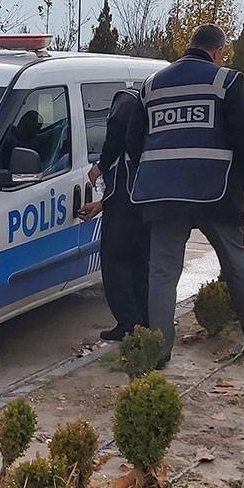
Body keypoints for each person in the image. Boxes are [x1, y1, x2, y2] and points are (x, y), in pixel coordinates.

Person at [128, 22, 244, 365]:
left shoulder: (151, 85)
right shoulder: (225, 80)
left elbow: (134, 141)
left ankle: (159, 349)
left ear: (190, 46)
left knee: (163, 272)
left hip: (162, 193)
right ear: (217, 52)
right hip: (215, 190)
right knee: (234, 260)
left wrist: (153, 173)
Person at [83, 87, 149, 341]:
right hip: (146, 200)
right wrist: (102, 204)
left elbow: (118, 143)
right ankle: (145, 321)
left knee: (115, 261)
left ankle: (128, 324)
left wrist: (100, 165)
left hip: (126, 202)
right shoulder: (147, 103)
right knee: (141, 264)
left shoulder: (125, 102)